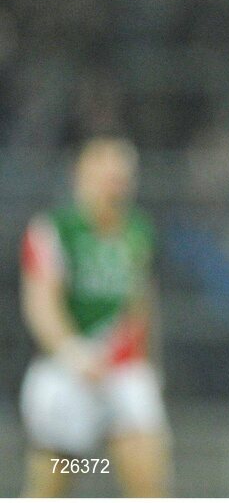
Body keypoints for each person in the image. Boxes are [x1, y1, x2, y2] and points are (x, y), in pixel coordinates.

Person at [19, 137, 171, 497]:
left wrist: (149, 362)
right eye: (106, 175)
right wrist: (73, 352)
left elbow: (141, 305)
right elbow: (41, 304)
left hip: (122, 369)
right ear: (81, 176)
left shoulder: (138, 231)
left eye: (121, 177)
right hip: (67, 369)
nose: (114, 185)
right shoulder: (54, 230)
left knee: (149, 478)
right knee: (51, 485)